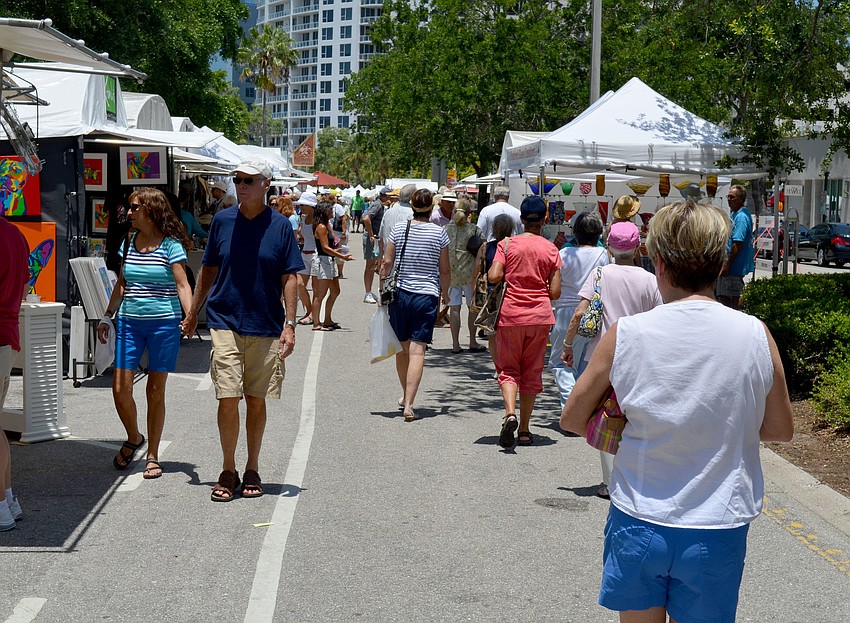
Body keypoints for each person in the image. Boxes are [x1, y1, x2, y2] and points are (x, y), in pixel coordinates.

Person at [560, 199, 793, 623]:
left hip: (639, 516)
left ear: (660, 264)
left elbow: (573, 417)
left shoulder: (626, 334)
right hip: (718, 522)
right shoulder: (755, 335)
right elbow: (779, 429)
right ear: (722, 264)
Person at [183, 159, 304, 502]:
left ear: (266, 184)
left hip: (265, 324)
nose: (241, 185)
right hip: (225, 320)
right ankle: (227, 468)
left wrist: (290, 325)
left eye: (248, 180)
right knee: (227, 395)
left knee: (255, 399)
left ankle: (252, 466)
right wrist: (193, 313)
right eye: (237, 180)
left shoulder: (280, 226)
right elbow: (207, 269)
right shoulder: (222, 221)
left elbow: (290, 277)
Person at [97, 188, 194, 480]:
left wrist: (189, 318)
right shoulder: (128, 241)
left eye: (134, 207)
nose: (129, 212)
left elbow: (182, 285)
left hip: (164, 323)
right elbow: (123, 284)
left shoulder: (171, 246)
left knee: (155, 390)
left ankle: (152, 455)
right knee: (120, 389)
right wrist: (107, 314)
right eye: (130, 207)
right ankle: (133, 437)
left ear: (150, 210)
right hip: (129, 322)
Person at [562, 221, 663, 498]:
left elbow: (579, 313)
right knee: (635, 417)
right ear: (637, 246)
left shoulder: (600, 274)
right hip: (640, 358)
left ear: (609, 245)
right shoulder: (650, 279)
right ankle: (635, 475)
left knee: (606, 416)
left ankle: (609, 482)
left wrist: (568, 344)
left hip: (603, 357)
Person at [488, 196, 561, 448]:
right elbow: (555, 292)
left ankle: (510, 414)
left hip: (510, 315)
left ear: (521, 219)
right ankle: (526, 431)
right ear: (545, 219)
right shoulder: (551, 249)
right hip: (540, 316)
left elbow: (494, 276)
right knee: (532, 371)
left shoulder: (507, 244)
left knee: (508, 369)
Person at [379, 188, 450, 422]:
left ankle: (404, 394)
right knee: (418, 350)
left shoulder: (400, 229)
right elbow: (444, 269)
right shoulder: (440, 234)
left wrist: (381, 287)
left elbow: (387, 262)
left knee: (402, 347)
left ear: (412, 207)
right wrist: (446, 294)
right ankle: (409, 403)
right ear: (432, 208)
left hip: (401, 294)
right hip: (427, 295)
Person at [549, 211, 608, 409]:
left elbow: (554, 285)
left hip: (565, 312)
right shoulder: (603, 255)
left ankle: (570, 407)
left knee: (561, 363)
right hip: (592, 313)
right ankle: (581, 408)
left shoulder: (563, 254)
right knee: (584, 362)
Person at [0, 216, 29, 530]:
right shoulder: (15, 234)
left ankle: (2, 505)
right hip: (7, 334)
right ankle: (7, 499)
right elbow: (21, 287)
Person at [471, 214, 513, 369]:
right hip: (509, 291)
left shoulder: (486, 247)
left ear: (494, 229)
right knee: (507, 334)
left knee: (492, 334)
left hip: (490, 294)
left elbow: (476, 271)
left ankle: (498, 367)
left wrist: (473, 293)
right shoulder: (513, 246)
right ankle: (507, 364)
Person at [444, 195, 485, 353]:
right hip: (470, 274)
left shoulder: (446, 229)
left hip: (452, 274)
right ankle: (473, 341)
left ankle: (455, 344)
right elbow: (483, 249)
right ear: (470, 213)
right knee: (472, 308)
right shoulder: (474, 229)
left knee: (454, 309)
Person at [311, 200, 353, 331]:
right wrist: (341, 256)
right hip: (323, 261)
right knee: (320, 294)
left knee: (335, 291)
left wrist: (336, 252)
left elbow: (328, 247)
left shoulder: (326, 225)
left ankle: (327, 319)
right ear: (324, 211)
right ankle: (316, 323)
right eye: (330, 209)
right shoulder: (321, 227)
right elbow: (324, 247)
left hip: (329, 260)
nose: (332, 211)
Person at [717, 184, 754, 309]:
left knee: (730, 301)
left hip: (733, 270)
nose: (729, 200)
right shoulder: (734, 214)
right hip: (729, 270)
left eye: (732, 197)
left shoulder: (741, 217)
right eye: (728, 197)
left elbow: (737, 243)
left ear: (741, 199)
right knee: (723, 299)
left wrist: (726, 265)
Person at [361, 188, 390, 304]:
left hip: (377, 238)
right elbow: (366, 218)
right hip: (372, 238)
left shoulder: (380, 205)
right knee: (370, 265)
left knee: (376, 265)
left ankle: (371, 291)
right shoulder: (377, 205)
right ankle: (367, 292)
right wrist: (371, 234)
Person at [294, 191, 318, 324]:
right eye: (301, 204)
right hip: (305, 253)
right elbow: (302, 234)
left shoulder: (319, 220)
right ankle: (309, 311)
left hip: (316, 254)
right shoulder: (302, 218)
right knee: (300, 285)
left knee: (315, 287)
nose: (301, 207)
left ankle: (313, 314)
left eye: (304, 204)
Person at [378, 183, 416, 249]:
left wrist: (380, 257)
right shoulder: (412, 214)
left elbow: (381, 238)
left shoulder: (388, 212)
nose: (389, 199)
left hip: (387, 254)